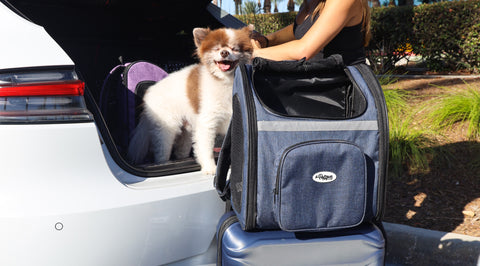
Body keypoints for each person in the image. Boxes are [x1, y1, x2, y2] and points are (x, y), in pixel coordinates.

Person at [251, 0, 371, 65]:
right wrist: (267, 40)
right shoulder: (310, 2)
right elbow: (301, 28)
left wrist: (255, 53)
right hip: (316, 81)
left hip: (342, 92)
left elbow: (303, 50)